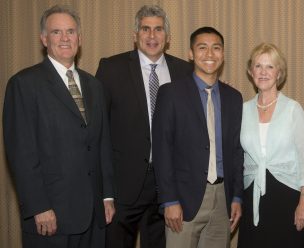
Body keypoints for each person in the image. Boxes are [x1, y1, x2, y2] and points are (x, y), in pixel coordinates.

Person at [3, 5, 114, 248]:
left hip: (95, 216)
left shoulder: (94, 85)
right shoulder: (23, 84)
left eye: (71, 32)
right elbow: (21, 153)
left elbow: (102, 144)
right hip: (51, 217)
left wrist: (107, 195)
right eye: (56, 32)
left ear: (80, 38)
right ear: (44, 39)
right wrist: (39, 206)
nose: (65, 38)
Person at [94, 5, 192, 248]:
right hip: (123, 186)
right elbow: (98, 131)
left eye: (158, 29)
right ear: (135, 34)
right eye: (145, 29)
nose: (151, 36)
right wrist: (105, 190)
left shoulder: (185, 71)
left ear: (167, 37)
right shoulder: (111, 68)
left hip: (168, 187)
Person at [152, 26, 244, 248]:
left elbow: (236, 151)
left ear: (222, 54)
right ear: (191, 53)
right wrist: (169, 200)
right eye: (202, 48)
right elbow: (162, 150)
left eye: (216, 48)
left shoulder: (234, 97)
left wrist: (237, 197)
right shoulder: (170, 93)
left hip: (223, 199)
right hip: (183, 200)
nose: (210, 54)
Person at [237, 43, 304, 248]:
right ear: (250, 71)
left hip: (288, 198)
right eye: (258, 66)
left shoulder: (292, 109)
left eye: (270, 67)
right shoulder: (242, 110)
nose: (263, 72)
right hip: (252, 196)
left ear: (279, 72)